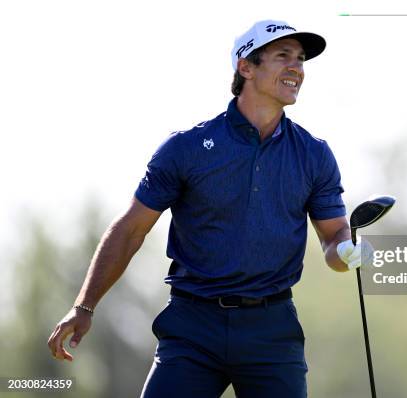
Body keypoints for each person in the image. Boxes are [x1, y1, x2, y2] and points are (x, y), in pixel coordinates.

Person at [47, 19, 368, 397]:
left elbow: (333, 238)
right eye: (283, 56)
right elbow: (131, 229)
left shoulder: (314, 154)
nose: (296, 68)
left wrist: (346, 251)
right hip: (193, 327)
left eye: (300, 59)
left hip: (272, 329)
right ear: (245, 66)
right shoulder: (188, 148)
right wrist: (84, 307)